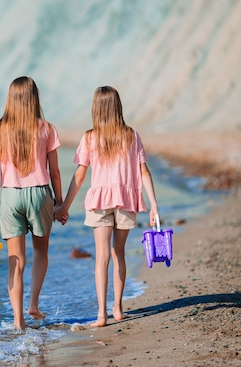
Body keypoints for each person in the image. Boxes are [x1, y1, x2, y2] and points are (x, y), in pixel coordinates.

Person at [54, 86, 159, 327]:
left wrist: (64, 207)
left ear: (96, 108)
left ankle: (102, 315)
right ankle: (118, 308)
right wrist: (153, 205)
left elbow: (80, 176)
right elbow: (144, 171)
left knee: (101, 256)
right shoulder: (131, 135)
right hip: (125, 200)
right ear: (118, 106)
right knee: (118, 253)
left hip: (100, 202)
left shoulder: (90, 137)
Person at [0, 76, 63, 330]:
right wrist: (60, 203)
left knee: (16, 260)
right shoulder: (46, 128)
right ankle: (33, 304)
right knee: (41, 251)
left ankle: (18, 321)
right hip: (39, 194)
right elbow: (55, 171)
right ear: (34, 98)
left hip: (11, 195)